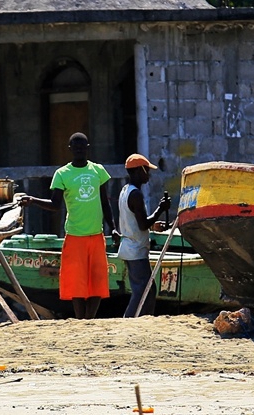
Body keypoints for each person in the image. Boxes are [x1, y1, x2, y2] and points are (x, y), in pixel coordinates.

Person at [19, 132, 116, 319]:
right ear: (70, 149)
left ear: (88, 148)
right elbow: (55, 205)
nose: (79, 149)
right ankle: (81, 319)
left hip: (96, 235)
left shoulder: (98, 171)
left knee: (97, 280)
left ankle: (90, 319)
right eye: (76, 147)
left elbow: (105, 203)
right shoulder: (62, 174)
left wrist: (113, 226)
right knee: (77, 283)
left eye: (83, 146)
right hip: (74, 236)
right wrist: (32, 200)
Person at [116, 154, 171, 317]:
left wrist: (154, 225)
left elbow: (135, 221)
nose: (149, 174)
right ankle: (129, 321)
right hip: (135, 250)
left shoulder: (125, 191)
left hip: (130, 247)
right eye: (147, 170)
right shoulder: (135, 195)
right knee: (142, 291)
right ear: (139, 171)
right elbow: (142, 224)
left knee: (147, 289)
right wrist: (160, 209)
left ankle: (144, 320)